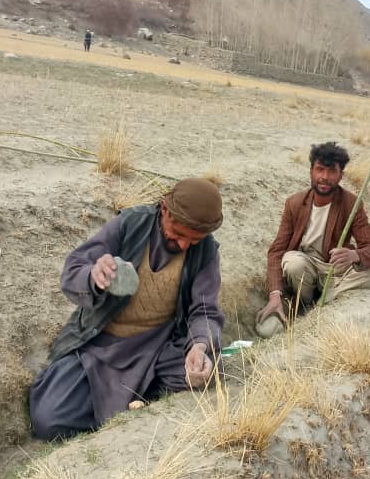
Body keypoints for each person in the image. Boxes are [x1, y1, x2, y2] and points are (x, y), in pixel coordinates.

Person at [29, 178, 225, 440]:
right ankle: (128, 400)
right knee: (47, 419)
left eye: (194, 240)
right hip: (100, 346)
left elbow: (205, 311)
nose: (184, 245)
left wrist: (199, 346)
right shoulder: (130, 224)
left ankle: (128, 401)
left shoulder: (206, 251)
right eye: (179, 234)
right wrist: (94, 276)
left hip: (158, 347)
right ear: (165, 210)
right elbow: (74, 270)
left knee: (207, 373)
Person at [256, 142, 370, 335]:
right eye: (319, 170)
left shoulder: (351, 204)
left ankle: (324, 301)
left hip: (334, 269)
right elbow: (276, 251)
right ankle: (305, 304)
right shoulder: (295, 203)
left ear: (341, 175)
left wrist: (354, 255)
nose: (324, 177)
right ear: (311, 171)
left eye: (332, 171)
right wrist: (275, 295)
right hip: (305, 268)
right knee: (292, 262)